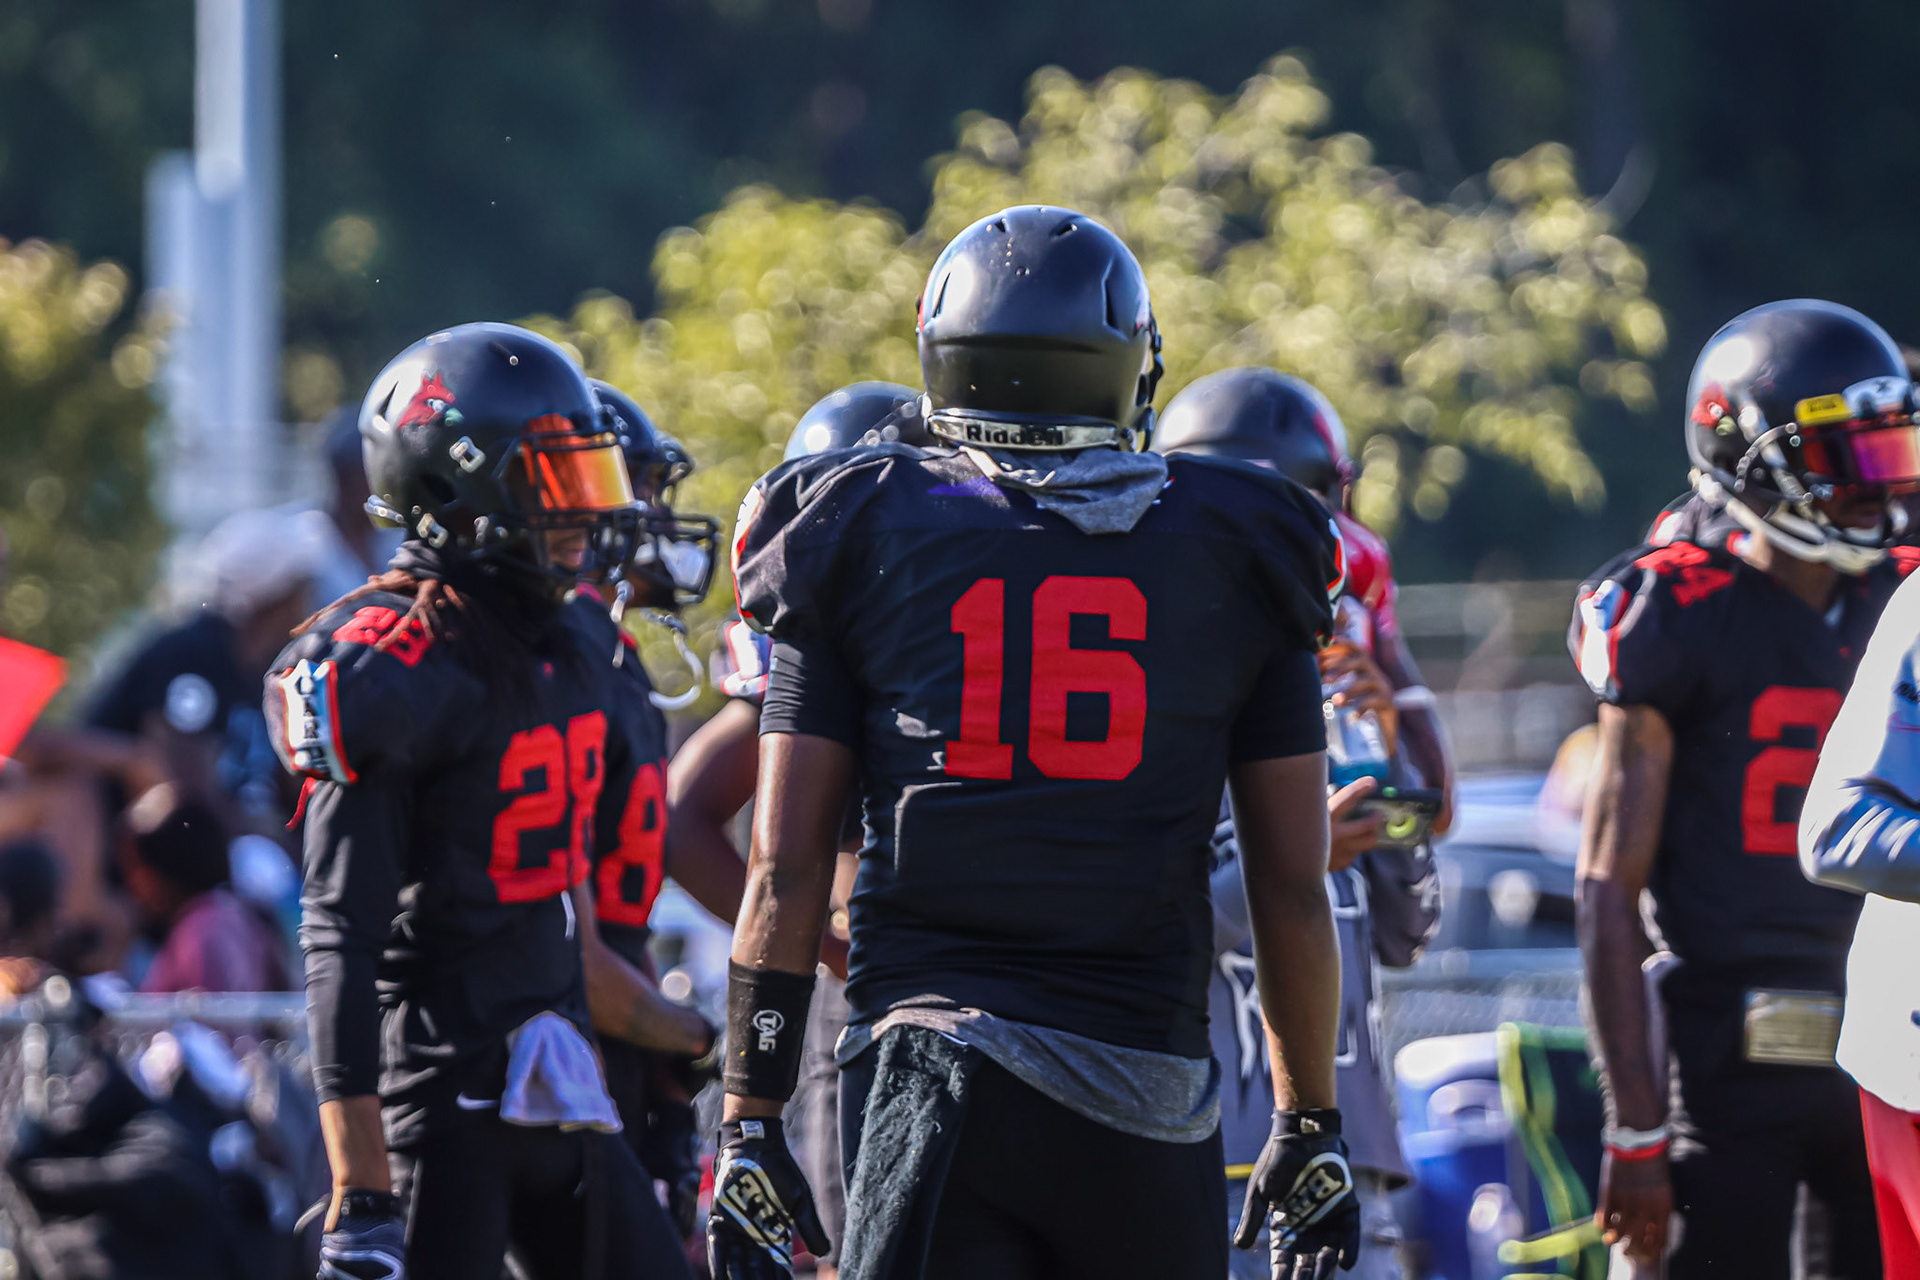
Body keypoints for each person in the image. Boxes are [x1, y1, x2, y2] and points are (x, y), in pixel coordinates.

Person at [710, 206, 1357, 1280]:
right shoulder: (1241, 542)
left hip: (928, 1069)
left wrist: (749, 1116)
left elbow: (783, 866)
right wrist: (1310, 1118)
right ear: (1122, 364)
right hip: (1138, 1083)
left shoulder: (855, 523)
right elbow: (1291, 880)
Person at [264, 323, 698, 1280]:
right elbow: (340, 937)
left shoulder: (574, 646)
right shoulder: (391, 667)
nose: (588, 512)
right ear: (456, 490)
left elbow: (584, 910)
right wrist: (361, 1190)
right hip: (438, 1095)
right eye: (557, 481)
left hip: (556, 1081)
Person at [1568, 299, 1920, 1276]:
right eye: (1845, 457)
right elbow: (1606, 886)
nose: (1876, 488)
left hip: (1885, 1026)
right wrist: (1635, 1122)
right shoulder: (1676, 605)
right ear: (1748, 454)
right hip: (1719, 1045)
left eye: (1887, 452)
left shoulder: (1902, 593)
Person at [1156, 369, 1444, 1280]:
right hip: (1224, 1155)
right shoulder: (1163, 713)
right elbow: (1157, 930)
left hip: (1351, 1155)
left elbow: (1408, 929)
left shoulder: (1331, 708)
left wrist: (1389, 746)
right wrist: (1299, 856)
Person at [674, 381, 927, 1279]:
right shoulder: (810, 634)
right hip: (853, 989)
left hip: (937, 979)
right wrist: (822, 946)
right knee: (845, 1244)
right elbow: (684, 817)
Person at [565, 378, 726, 1245]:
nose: (658, 521)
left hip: (607, 1030)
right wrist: (689, 1034)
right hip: (557, 1043)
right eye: (646, 493)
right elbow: (564, 938)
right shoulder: (560, 660)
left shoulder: (607, 652)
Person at [118, 783, 288, 993]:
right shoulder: (234, 916)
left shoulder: (202, 932)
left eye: (135, 869)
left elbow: (212, 1011)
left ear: (167, 866)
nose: (130, 884)